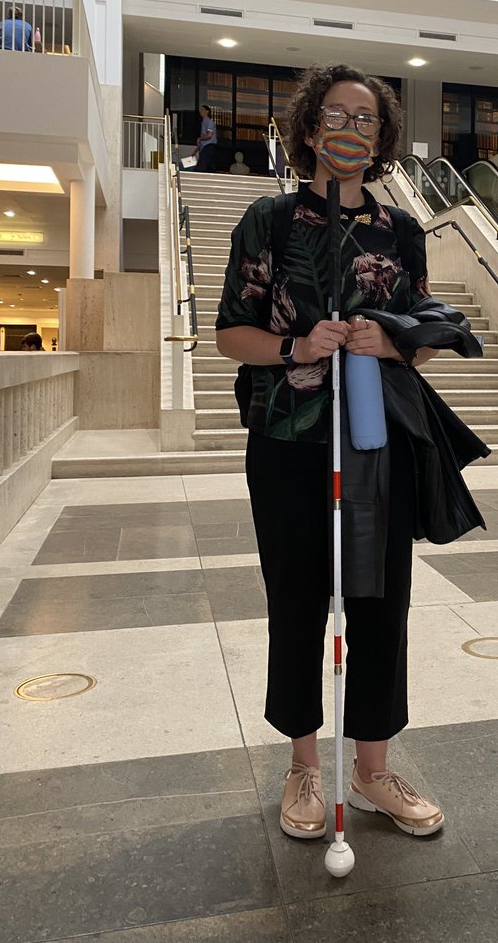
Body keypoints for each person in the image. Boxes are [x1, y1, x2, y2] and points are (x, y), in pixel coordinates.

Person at [215, 64, 450, 843]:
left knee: (382, 605)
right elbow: (229, 336)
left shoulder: (401, 232)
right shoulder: (270, 220)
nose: (353, 131)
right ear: (312, 128)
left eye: (369, 121)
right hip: (288, 442)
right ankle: (304, 765)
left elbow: (421, 331)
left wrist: (391, 340)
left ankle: (373, 771)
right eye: (339, 116)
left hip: (375, 444)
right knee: (297, 601)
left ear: (381, 140)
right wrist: (293, 344)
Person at [193, 104, 219, 171]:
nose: (200, 111)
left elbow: (209, 135)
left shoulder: (209, 121)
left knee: (201, 168)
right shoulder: (203, 122)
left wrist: (200, 138)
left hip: (208, 148)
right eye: (200, 110)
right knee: (208, 168)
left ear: (207, 111)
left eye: (202, 110)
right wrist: (195, 152)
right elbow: (202, 141)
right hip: (204, 148)